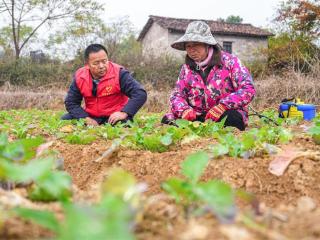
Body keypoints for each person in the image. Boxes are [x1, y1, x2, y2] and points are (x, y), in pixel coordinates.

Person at [161, 21, 256, 130]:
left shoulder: (230, 62)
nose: (191, 50)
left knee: (232, 119)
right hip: (197, 116)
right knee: (167, 120)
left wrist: (223, 106)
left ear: (207, 44)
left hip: (223, 113)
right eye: (188, 46)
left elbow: (248, 89)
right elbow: (177, 95)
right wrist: (184, 109)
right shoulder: (186, 68)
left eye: (196, 44)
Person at [61, 44, 147, 126]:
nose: (101, 66)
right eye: (96, 63)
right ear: (87, 64)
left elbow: (140, 93)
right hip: (91, 115)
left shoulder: (119, 73)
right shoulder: (80, 76)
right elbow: (71, 102)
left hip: (114, 116)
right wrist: (86, 118)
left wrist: (124, 113)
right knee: (65, 119)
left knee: (122, 123)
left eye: (104, 61)